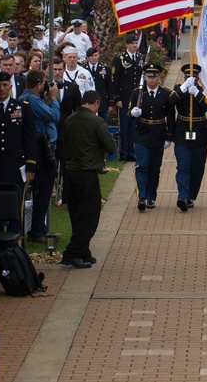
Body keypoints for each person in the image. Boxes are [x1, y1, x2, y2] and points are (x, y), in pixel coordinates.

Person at [60, 91, 115, 269]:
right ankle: (72, 253)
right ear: (95, 103)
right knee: (89, 217)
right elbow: (111, 146)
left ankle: (83, 251)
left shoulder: (69, 120)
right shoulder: (96, 121)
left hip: (70, 172)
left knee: (76, 215)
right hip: (87, 174)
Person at [18, 70, 60, 243]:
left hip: (40, 146)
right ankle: (36, 230)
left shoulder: (27, 97)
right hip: (41, 147)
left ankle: (39, 227)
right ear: (38, 85)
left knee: (41, 189)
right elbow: (54, 116)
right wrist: (54, 98)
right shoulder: (32, 99)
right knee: (43, 189)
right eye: (44, 84)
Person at [129, 63, 174, 211]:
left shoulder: (166, 94)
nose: (152, 80)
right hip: (142, 133)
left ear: (159, 77)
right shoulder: (137, 93)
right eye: (149, 77)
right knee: (142, 165)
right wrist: (133, 113)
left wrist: (169, 136)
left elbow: (170, 117)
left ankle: (151, 197)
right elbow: (129, 112)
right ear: (145, 77)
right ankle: (141, 197)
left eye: (154, 77)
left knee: (154, 168)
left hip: (158, 133)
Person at [169, 63, 207, 212]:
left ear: (198, 78)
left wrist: (197, 93)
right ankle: (183, 196)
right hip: (182, 131)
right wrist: (184, 88)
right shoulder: (178, 90)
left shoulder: (203, 90)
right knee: (183, 166)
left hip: (200, 132)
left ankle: (191, 196)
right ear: (184, 77)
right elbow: (171, 101)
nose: (190, 79)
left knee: (197, 167)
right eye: (187, 77)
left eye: (193, 77)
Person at [111, 33, 144, 162]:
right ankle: (124, 153)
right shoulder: (120, 59)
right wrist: (117, 98)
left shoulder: (140, 58)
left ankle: (132, 151)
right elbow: (115, 80)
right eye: (132, 43)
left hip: (136, 99)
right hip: (124, 99)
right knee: (124, 127)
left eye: (136, 43)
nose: (134, 46)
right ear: (127, 45)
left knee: (134, 127)